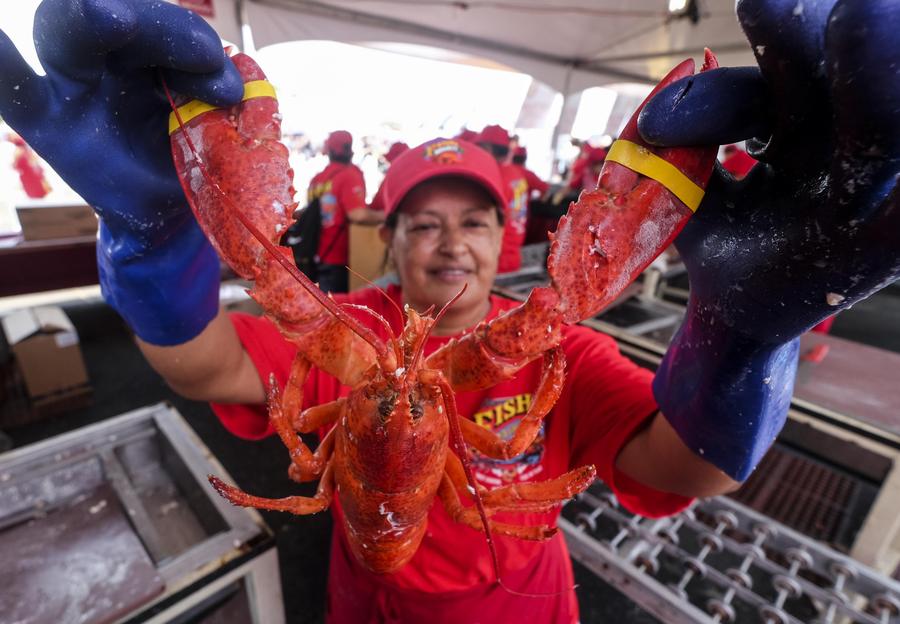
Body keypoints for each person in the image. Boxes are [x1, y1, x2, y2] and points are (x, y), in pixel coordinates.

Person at [1, 1, 898, 623]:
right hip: (366, 598)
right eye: (423, 223)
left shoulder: (560, 347)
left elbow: (690, 469)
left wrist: (742, 340)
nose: (449, 243)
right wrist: (157, 242)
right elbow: (202, 365)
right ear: (388, 239)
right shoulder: (348, 330)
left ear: (507, 237)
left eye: (474, 221)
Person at [305, 130, 382, 293]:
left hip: (314, 254)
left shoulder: (317, 179)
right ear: (350, 150)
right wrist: (389, 215)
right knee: (336, 307)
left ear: (329, 151)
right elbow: (358, 215)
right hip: (338, 258)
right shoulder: (349, 175)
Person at [476, 124, 529, 273]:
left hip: (495, 261)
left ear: (488, 148)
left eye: (479, 147)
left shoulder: (493, 175)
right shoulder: (515, 173)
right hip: (512, 256)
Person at [367, 140, 409, 214]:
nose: (389, 163)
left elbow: (377, 203)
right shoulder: (414, 176)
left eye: (391, 159)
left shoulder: (395, 177)